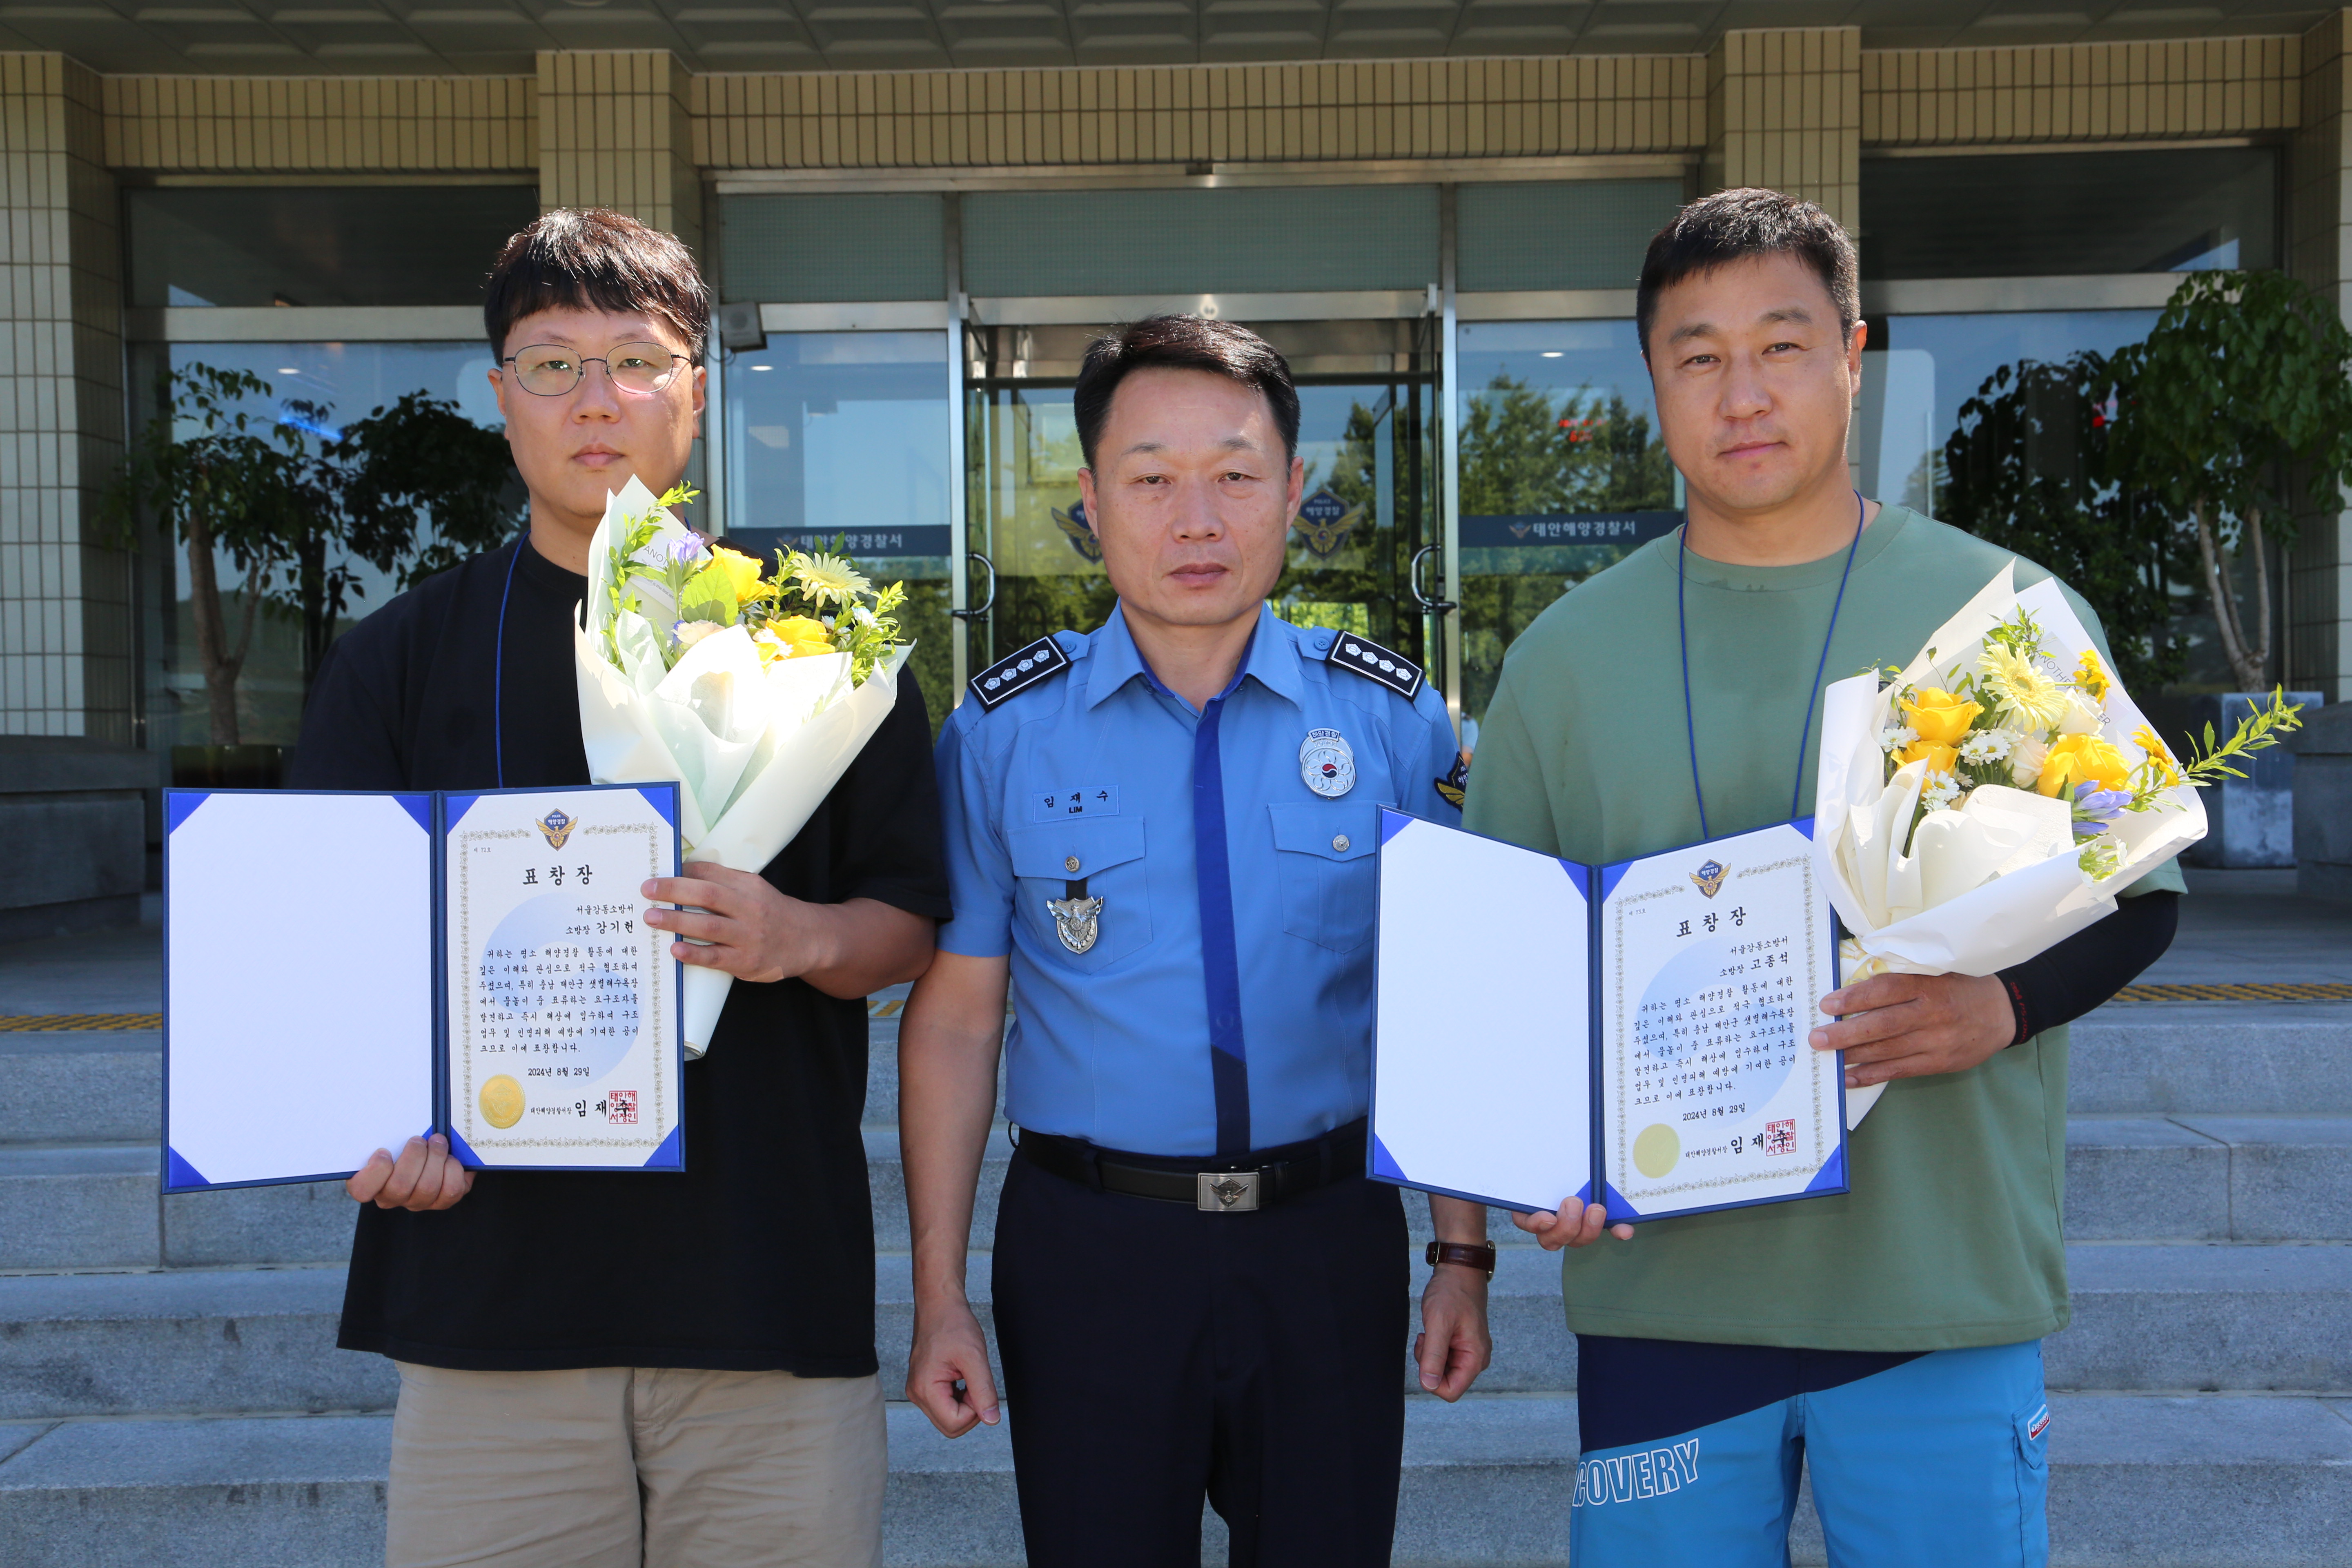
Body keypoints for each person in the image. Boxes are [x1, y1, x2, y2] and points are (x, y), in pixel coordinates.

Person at [1462, 188, 2180, 1567]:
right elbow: (1508, 976)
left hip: (1935, 1284)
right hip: (1663, 1288)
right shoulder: (1563, 655)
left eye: (1783, 346)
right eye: (1699, 354)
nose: (1745, 393)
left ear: (1853, 357)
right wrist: (1519, 1168)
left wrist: (2001, 1010)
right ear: (1653, 383)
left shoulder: (2007, 618)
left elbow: (2142, 899)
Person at [287, 208, 949, 1568]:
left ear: (697, 392)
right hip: (489, 1311)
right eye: (552, 365)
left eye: (638, 360)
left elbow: (906, 926)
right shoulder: (402, 657)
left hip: (766, 1306)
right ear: (500, 399)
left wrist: (793, 933)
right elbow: (316, 948)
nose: (598, 401)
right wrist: (371, 1120)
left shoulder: (823, 646)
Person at [898, 314, 1494, 1567]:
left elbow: (1450, 1002)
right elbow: (955, 1021)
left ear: (1291, 491)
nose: (1197, 518)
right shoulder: (1004, 734)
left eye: (1234, 475)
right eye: (1152, 479)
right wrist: (940, 1294)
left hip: (1327, 1240)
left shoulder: (1391, 722)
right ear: (1091, 503)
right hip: (1094, 1253)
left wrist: (1462, 1253)